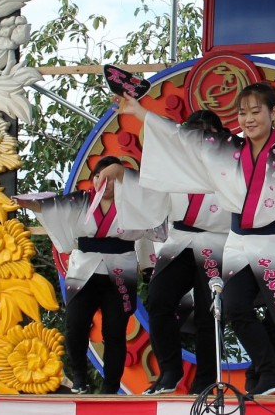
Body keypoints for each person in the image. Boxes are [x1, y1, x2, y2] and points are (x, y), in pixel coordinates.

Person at [106, 78, 275, 396]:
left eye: (255, 111)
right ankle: (267, 373)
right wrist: (139, 111)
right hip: (238, 241)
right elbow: (181, 137)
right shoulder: (229, 151)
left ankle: (260, 373)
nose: (248, 119)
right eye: (242, 112)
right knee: (235, 307)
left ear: (272, 112)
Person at [99, 110, 231, 395]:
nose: (201, 140)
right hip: (180, 240)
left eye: (207, 133)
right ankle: (170, 372)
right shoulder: (173, 167)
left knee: (210, 314)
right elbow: (149, 196)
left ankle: (206, 381)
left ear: (218, 137)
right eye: (194, 134)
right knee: (159, 300)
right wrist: (122, 173)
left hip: (216, 245)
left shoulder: (231, 165)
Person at [14, 156, 167, 394]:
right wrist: (28, 204)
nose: (105, 183)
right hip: (83, 271)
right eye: (99, 176)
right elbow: (53, 206)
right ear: (93, 179)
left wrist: (148, 266)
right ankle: (79, 378)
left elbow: (154, 225)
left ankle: (111, 386)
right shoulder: (80, 200)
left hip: (119, 272)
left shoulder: (133, 206)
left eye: (111, 178)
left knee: (115, 332)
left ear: (120, 181)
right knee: (75, 325)